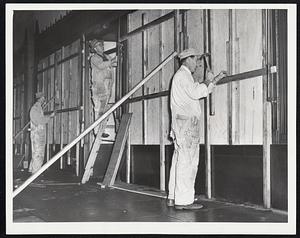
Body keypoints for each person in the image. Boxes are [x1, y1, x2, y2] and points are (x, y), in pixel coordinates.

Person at [167, 48, 227, 210]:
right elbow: (196, 92)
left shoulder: (181, 76)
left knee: (179, 161)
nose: (197, 64)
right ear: (188, 59)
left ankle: (173, 197)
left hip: (181, 124)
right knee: (188, 163)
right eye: (196, 60)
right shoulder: (183, 76)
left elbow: (199, 90)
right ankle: (183, 201)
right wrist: (208, 81)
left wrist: (213, 80)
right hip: (186, 125)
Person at [89, 39, 117, 137]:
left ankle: (101, 130)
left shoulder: (106, 56)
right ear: (95, 48)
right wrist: (111, 61)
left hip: (107, 85)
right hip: (99, 87)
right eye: (99, 45)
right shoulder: (94, 58)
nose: (102, 46)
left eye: (102, 45)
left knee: (104, 109)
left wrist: (114, 60)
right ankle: (97, 131)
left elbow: (110, 65)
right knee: (99, 109)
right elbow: (101, 66)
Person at [29, 92, 55, 174]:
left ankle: (31, 170)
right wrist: (50, 117)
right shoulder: (35, 108)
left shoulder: (38, 108)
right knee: (39, 154)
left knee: (35, 153)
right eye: (44, 98)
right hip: (38, 134)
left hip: (36, 133)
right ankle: (35, 174)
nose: (44, 100)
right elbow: (40, 120)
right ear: (41, 98)